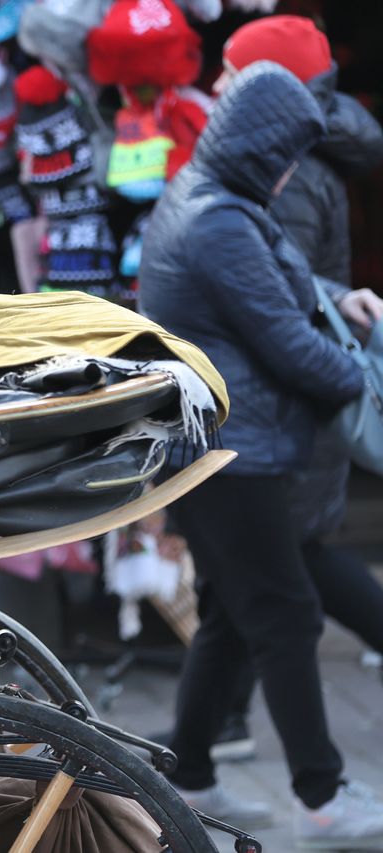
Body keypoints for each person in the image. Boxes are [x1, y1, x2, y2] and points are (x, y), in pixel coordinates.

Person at [139, 61, 383, 848]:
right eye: (284, 157)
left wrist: (335, 300)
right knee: (285, 614)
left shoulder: (213, 194)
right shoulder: (219, 219)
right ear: (260, 147)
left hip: (222, 448)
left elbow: (282, 282)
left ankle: (191, 772)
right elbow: (289, 346)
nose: (287, 174)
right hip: (232, 451)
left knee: (231, 616)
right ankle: (322, 796)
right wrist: (363, 377)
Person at [206, 13, 383, 763]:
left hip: (279, 415)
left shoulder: (287, 170)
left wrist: (335, 369)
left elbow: (283, 299)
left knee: (273, 585)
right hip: (276, 410)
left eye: (231, 70)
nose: (215, 83)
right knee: (254, 584)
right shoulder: (290, 157)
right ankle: (206, 737)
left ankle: (280, 767)